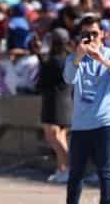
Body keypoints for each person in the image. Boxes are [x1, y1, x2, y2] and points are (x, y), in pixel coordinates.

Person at [63, 14, 110, 204]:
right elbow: (68, 78)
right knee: (76, 173)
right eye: (86, 34)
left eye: (94, 33)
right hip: (81, 124)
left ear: (102, 34)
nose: (90, 38)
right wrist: (78, 56)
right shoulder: (74, 58)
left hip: (105, 121)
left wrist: (102, 59)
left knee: (104, 171)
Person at [38, 27, 73, 184]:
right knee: (59, 136)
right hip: (64, 100)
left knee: (54, 136)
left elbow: (44, 80)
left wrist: (41, 59)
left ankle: (69, 168)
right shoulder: (67, 58)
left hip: (55, 101)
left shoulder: (56, 60)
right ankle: (62, 169)